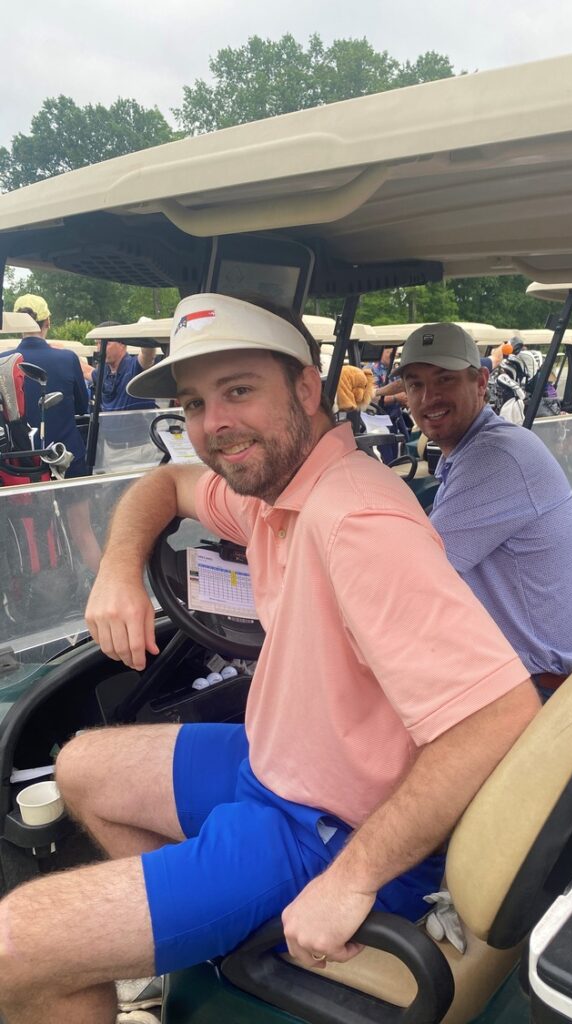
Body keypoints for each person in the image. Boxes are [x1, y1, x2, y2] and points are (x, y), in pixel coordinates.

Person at [0, 294, 540, 1024]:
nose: (213, 424)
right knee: (82, 767)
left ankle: (161, 946)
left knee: (18, 946)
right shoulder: (278, 489)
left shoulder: (353, 520)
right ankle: (173, 964)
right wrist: (118, 568)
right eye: (194, 403)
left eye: (239, 391)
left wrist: (351, 881)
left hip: (325, 830)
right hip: (276, 766)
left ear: (307, 389)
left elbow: (499, 713)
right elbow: (167, 485)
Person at [398, 323, 572, 700]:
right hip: (538, 674)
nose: (428, 397)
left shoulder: (495, 457)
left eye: (444, 380)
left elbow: (416, 576)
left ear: (480, 382)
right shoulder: (479, 449)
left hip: (543, 689)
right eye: (416, 384)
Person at [2, 294, 89, 477]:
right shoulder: (68, 358)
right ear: (47, 322)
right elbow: (82, 407)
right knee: (77, 505)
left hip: (21, 464)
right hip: (67, 455)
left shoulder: (3, 361)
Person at [91, 322, 158, 412]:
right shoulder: (103, 372)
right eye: (97, 343)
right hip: (109, 426)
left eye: (105, 343)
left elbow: (148, 353)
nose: (99, 348)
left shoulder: (135, 366)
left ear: (122, 343)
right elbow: (84, 370)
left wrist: (144, 328)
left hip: (136, 425)